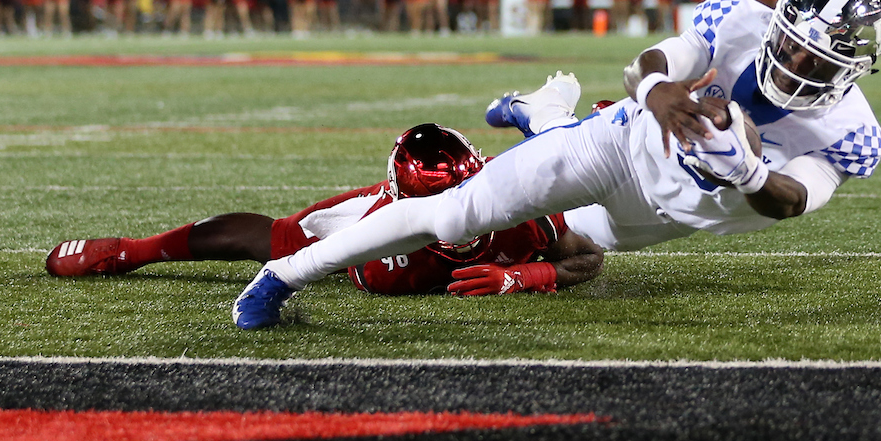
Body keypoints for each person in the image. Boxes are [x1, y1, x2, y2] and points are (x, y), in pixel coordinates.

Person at [234, 0, 881, 329]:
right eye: (790, 39)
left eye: (815, 54)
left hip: (644, 221)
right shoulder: (738, 19)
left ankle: (538, 110)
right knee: (454, 215)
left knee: (577, 249)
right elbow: (652, 63)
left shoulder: (852, 134)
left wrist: (748, 170)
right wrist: (660, 92)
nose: (793, 58)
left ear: (851, 68)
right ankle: (282, 275)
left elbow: (793, 201)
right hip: (614, 147)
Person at [47, 123, 603, 308]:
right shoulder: (378, 238)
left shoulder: (519, 212)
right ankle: (133, 250)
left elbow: (590, 257)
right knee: (275, 240)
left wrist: (525, 275)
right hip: (366, 239)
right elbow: (268, 240)